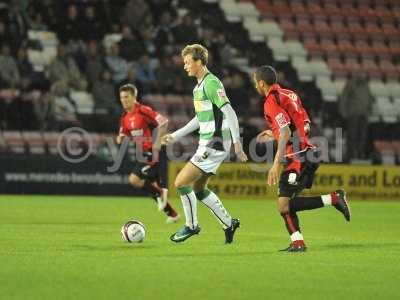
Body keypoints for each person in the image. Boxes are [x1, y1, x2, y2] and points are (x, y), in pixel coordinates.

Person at [252, 65, 351, 252]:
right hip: (307, 153)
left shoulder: (271, 101)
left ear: (261, 83)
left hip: (297, 158)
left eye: (256, 83)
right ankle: (298, 242)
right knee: (287, 203)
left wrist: (275, 164)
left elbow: (286, 130)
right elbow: (303, 125)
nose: (256, 87)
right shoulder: (290, 94)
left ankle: (334, 198)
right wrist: (275, 134)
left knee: (284, 204)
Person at [162, 44, 248, 244]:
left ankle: (191, 226)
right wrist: (175, 136)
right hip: (209, 143)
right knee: (199, 189)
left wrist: (238, 143)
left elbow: (230, 112)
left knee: (180, 182)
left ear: (199, 62)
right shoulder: (198, 87)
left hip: (214, 143)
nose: (185, 66)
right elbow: (200, 119)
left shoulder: (211, 83)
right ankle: (229, 223)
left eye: (187, 62)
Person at [117, 84, 180, 224]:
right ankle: (172, 213)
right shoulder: (124, 117)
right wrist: (121, 137)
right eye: (121, 97)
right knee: (144, 183)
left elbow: (163, 122)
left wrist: (157, 142)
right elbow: (124, 132)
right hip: (143, 153)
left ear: (134, 97)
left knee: (135, 179)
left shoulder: (143, 110)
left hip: (154, 151)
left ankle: (160, 193)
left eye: (126, 97)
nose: (123, 100)